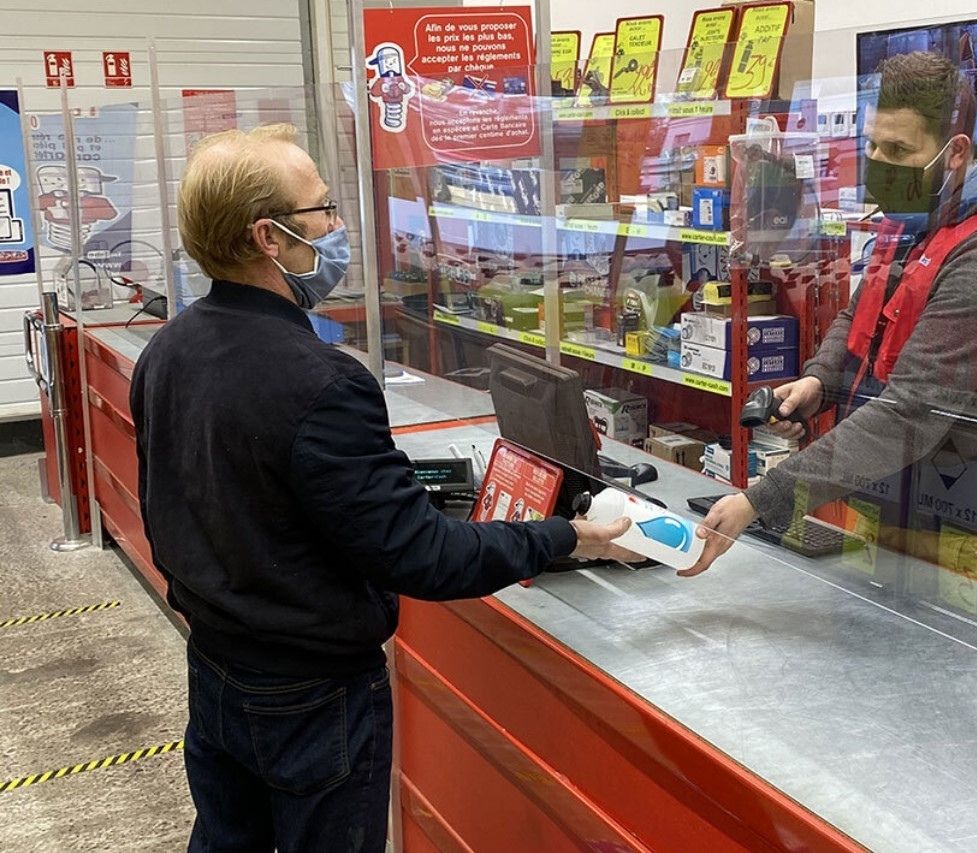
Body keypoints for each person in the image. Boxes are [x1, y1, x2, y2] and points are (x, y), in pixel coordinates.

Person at [129, 124, 636, 852]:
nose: (337, 229)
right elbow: (421, 556)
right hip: (313, 701)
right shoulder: (323, 383)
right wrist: (562, 536)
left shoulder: (171, 348)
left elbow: (203, 504)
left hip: (215, 669)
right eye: (322, 211)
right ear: (268, 237)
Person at [686, 52, 977, 584]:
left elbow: (912, 410)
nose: (879, 160)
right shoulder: (914, 218)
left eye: (898, 149)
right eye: (874, 143)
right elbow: (866, 311)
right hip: (891, 493)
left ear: (955, 153)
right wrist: (819, 380)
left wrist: (764, 498)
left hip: (975, 523)